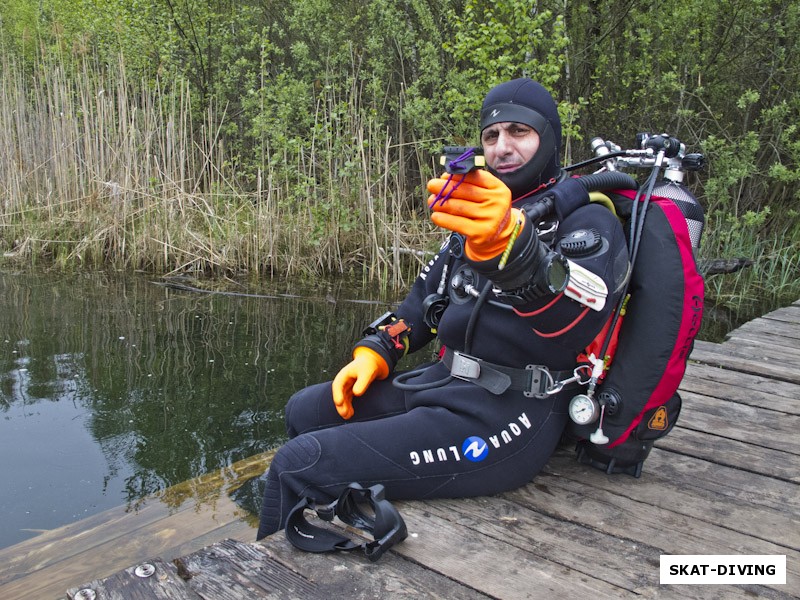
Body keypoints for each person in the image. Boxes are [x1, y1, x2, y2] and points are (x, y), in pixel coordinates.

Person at [256, 78, 630, 540]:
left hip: (509, 415)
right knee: (304, 411)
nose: (502, 148)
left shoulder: (591, 221)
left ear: (549, 138)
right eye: (491, 136)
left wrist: (514, 253)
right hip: (444, 383)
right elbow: (423, 303)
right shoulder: (476, 216)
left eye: (519, 132)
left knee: (298, 463)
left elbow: (577, 320)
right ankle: (330, 504)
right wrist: (376, 351)